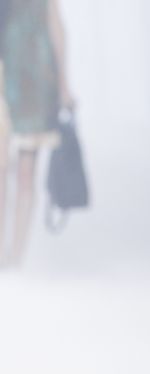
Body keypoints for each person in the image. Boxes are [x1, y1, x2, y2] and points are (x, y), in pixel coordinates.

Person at [0, 0, 74, 267]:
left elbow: (56, 27)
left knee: (26, 172)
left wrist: (64, 85)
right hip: (5, 74)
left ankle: (15, 257)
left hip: (36, 81)